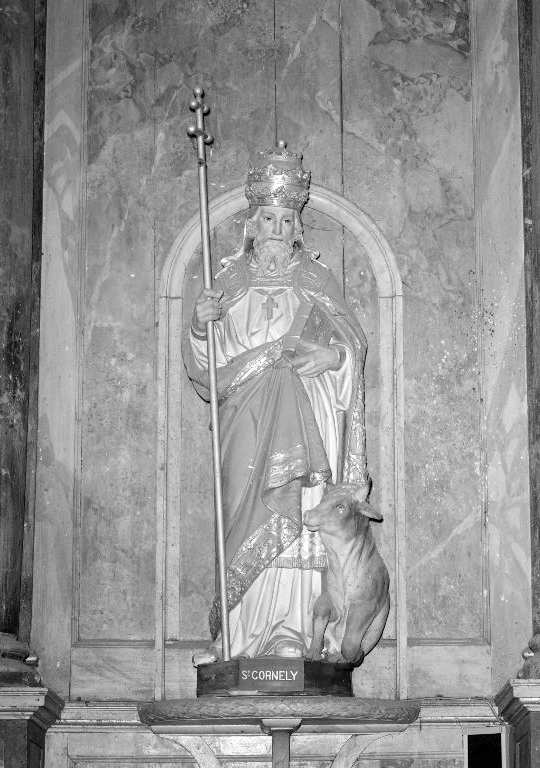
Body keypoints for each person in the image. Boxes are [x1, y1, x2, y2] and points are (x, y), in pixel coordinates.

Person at [183, 143, 367, 662]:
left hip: (304, 424)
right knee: (243, 516)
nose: (278, 229)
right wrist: (201, 323)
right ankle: (236, 641)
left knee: (298, 523)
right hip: (245, 423)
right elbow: (207, 367)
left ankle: (294, 636)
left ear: (297, 227)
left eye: (288, 220)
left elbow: (352, 345)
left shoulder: (316, 281)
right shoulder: (229, 283)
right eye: (269, 218)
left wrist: (331, 359)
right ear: (252, 223)